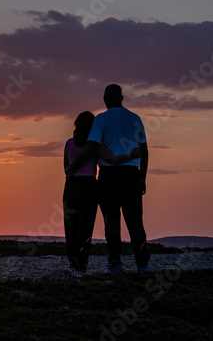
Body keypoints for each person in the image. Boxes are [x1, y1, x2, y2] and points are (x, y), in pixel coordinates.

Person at [63, 111, 139, 276]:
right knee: (85, 227)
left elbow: (66, 168)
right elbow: (113, 160)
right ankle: (81, 265)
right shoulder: (95, 145)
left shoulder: (69, 143)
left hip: (71, 186)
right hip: (89, 186)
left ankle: (73, 263)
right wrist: (131, 155)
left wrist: (73, 168)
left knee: (70, 226)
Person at [86, 84, 150, 273]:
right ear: (122, 99)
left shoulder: (100, 119)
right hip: (131, 174)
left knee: (111, 221)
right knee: (135, 221)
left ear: (105, 99)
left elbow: (93, 146)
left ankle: (114, 263)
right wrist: (143, 177)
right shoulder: (135, 118)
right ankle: (142, 264)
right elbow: (144, 150)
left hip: (108, 176)